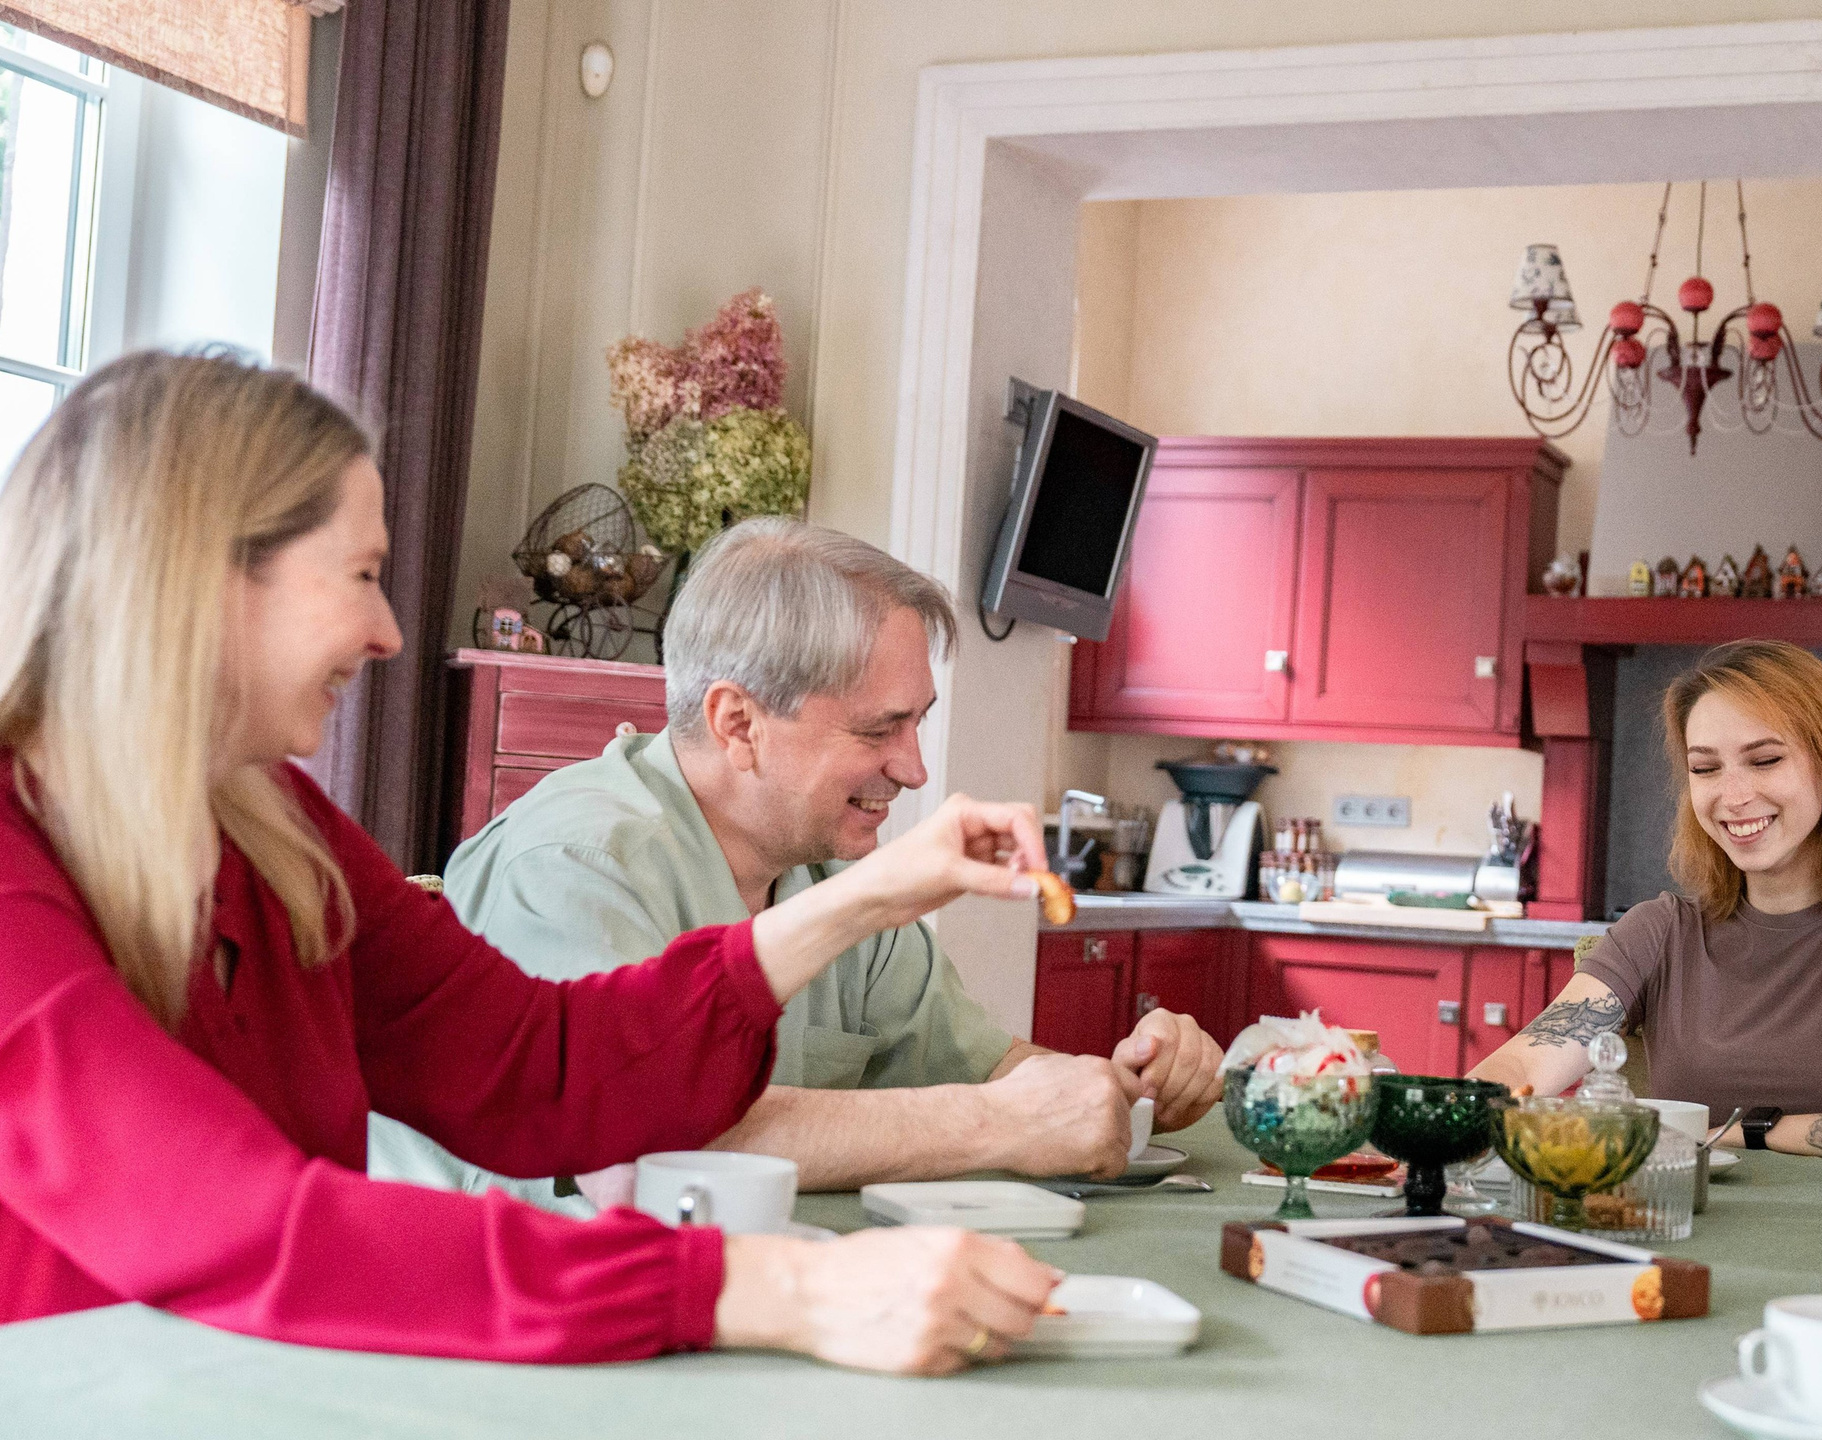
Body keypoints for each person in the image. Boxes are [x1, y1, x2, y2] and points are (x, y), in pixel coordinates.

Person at [0, 350, 1060, 1375]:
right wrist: (772, 1292)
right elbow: (242, 1223)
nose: (387, 634)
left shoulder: (273, 828)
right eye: (362, 575)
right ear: (199, 580)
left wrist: (864, 897)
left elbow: (534, 1062)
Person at [370, 518, 1224, 1214]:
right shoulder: (573, 865)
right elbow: (638, 1140)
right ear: (737, 722)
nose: (915, 768)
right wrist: (994, 1123)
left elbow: (988, 1071)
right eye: (877, 730)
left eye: (917, 723)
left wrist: (1123, 1083)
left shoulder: (826, 872)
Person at [1470, 639, 1822, 1168]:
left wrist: (1753, 1133)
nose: (1732, 795)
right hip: (1679, 1225)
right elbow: (1527, 1060)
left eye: (1765, 760)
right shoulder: (1659, 932)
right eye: (1705, 768)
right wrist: (1444, 1116)